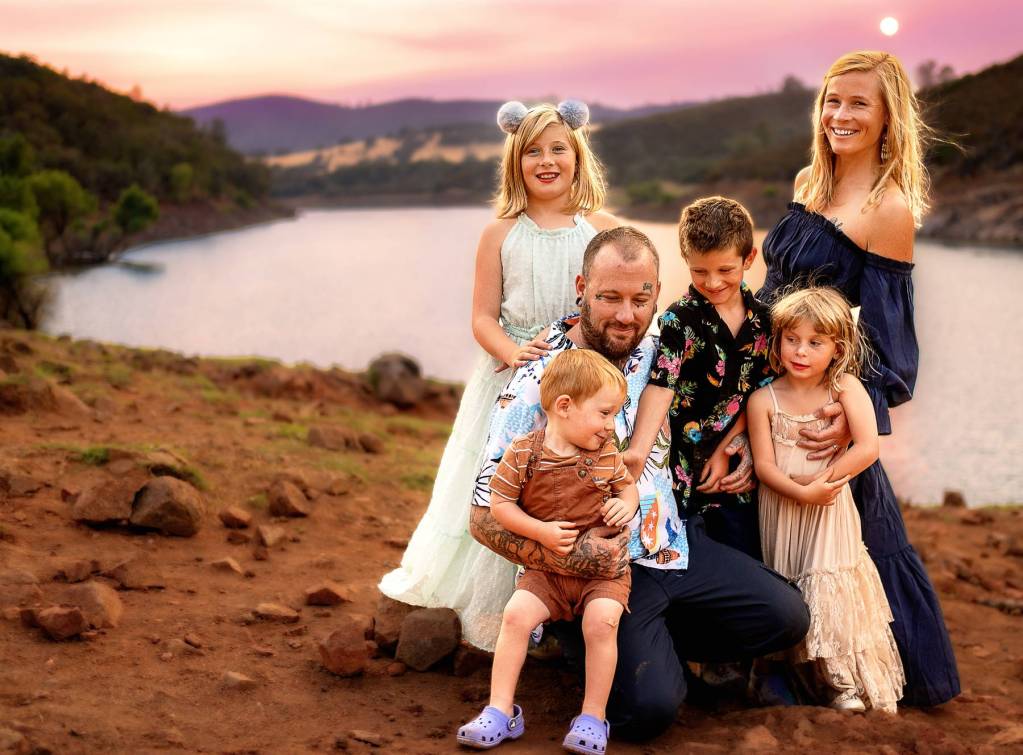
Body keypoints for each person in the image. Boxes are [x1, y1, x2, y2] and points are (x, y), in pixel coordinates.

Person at [470, 226, 810, 741]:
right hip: (589, 577)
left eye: (641, 297)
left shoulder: (665, 348)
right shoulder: (541, 378)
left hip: (672, 547)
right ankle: (593, 643)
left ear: (658, 291)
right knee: (648, 715)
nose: (626, 315)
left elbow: (743, 388)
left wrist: (740, 440)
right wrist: (570, 554)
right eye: (609, 297)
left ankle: (649, 647)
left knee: (785, 617)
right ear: (582, 287)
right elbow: (480, 516)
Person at [379, 100, 620, 651]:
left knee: (567, 486)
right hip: (513, 379)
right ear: (516, 161)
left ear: (578, 155)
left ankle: (564, 606)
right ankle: (496, 613)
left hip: (582, 386)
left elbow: (619, 302)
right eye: (532, 150)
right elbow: (483, 317)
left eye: (558, 148)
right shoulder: (500, 233)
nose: (546, 160)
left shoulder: (601, 229)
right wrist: (513, 353)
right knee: (501, 488)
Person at [757, 50, 959, 706]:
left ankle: (865, 670)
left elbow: (886, 347)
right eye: (831, 101)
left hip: (821, 402)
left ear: (886, 117)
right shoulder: (806, 181)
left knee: (851, 542)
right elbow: (771, 294)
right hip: (765, 382)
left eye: (857, 104)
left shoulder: (887, 209)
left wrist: (845, 413)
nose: (839, 115)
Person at [457, 350, 639, 752]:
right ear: (564, 407)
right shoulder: (524, 451)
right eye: (605, 413)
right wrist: (539, 531)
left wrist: (626, 503)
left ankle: (593, 716)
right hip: (546, 572)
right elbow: (500, 506)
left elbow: (628, 485)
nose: (611, 426)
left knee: (602, 623)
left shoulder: (606, 455)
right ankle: (500, 711)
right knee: (516, 615)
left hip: (600, 574)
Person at [748, 287, 905, 712]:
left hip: (830, 507)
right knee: (790, 581)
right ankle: (788, 670)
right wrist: (800, 491)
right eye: (792, 339)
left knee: (827, 579)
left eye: (815, 342)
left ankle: (841, 679)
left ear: (837, 348)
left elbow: (868, 448)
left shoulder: (846, 388)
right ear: (777, 340)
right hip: (783, 506)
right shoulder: (763, 399)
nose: (801, 351)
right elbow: (764, 466)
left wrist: (822, 484)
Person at [626, 196, 772, 560]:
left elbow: (765, 390)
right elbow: (662, 385)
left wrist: (732, 445)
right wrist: (638, 452)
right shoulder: (679, 319)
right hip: (682, 467)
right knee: (686, 554)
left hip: (737, 463)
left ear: (749, 258)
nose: (712, 282)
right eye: (699, 271)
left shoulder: (766, 321)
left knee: (742, 554)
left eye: (725, 270)